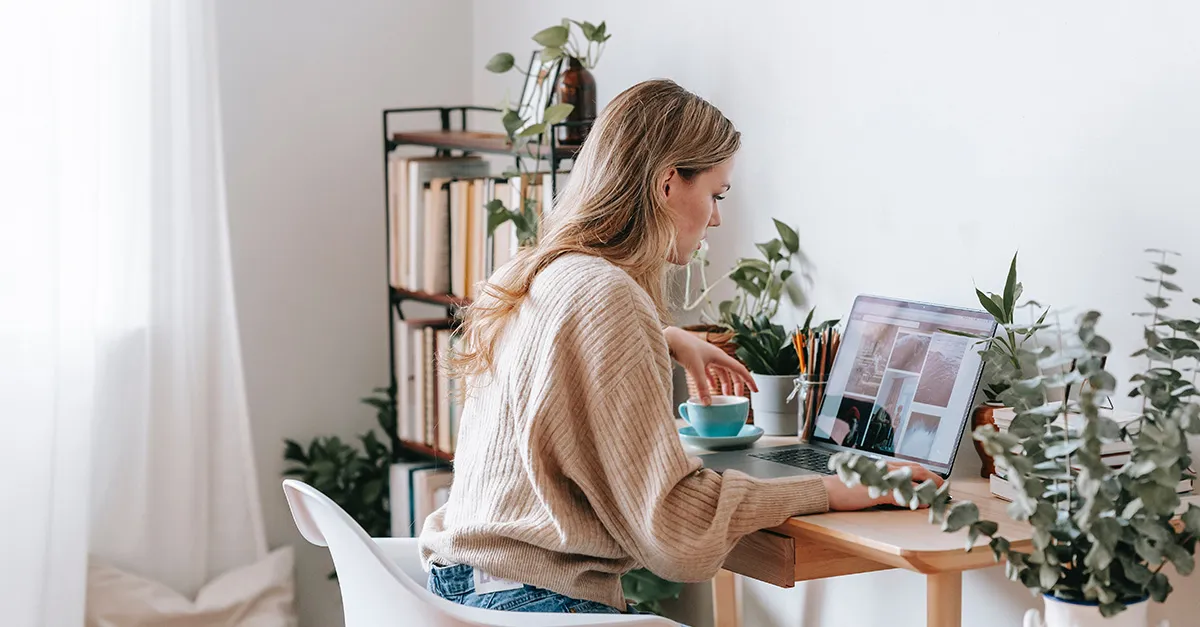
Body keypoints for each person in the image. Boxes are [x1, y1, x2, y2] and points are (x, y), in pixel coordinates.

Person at [418, 79, 943, 618]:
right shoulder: (608, 297)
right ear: (667, 183)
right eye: (715, 195)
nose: (716, 217)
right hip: (531, 602)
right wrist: (828, 491)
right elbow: (675, 528)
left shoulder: (537, 271)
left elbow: (556, 360)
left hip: (465, 586)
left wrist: (666, 338)